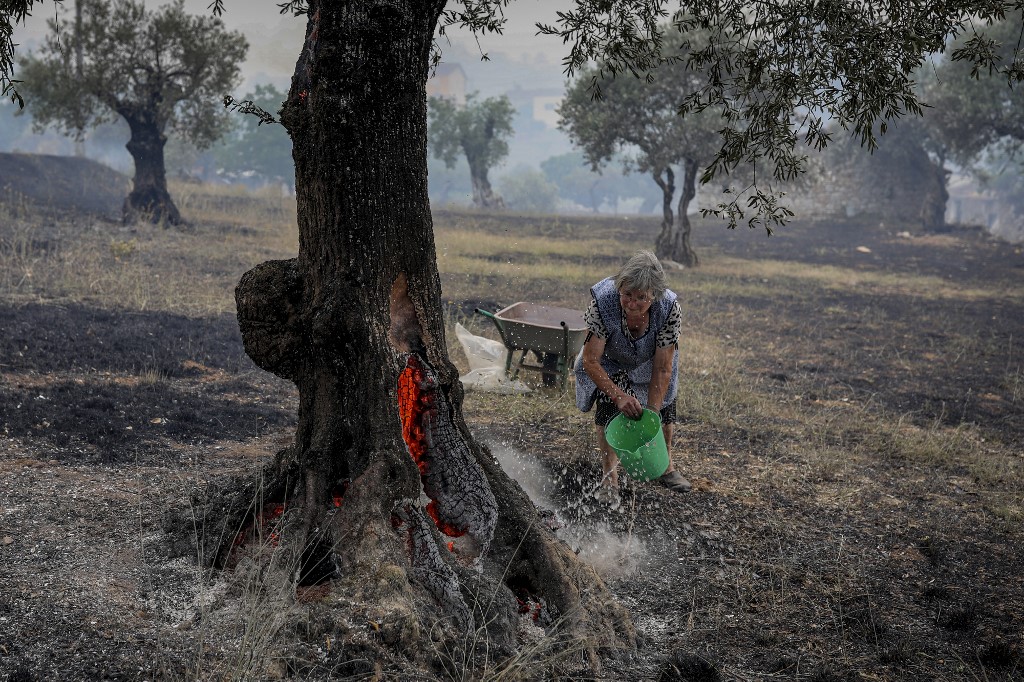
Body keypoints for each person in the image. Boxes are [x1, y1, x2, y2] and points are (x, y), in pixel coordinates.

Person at [574, 249, 692, 505]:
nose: (632, 303)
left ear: (655, 295)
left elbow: (662, 368)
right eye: (627, 295)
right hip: (610, 360)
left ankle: (666, 466)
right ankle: (609, 479)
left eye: (642, 298)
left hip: (651, 360)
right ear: (620, 287)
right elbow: (591, 359)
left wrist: (651, 412)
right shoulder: (602, 303)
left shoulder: (669, 308)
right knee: (608, 413)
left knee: (664, 410)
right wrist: (618, 396)